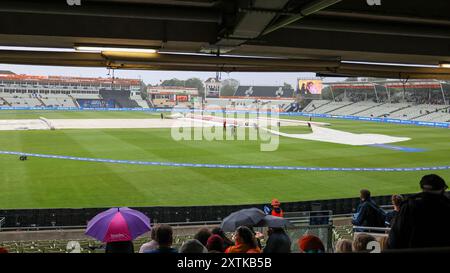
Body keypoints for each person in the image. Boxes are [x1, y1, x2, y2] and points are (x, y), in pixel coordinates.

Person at [388, 174, 450, 249]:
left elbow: (395, 239)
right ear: (442, 189)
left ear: (422, 188)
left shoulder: (409, 206)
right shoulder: (446, 205)